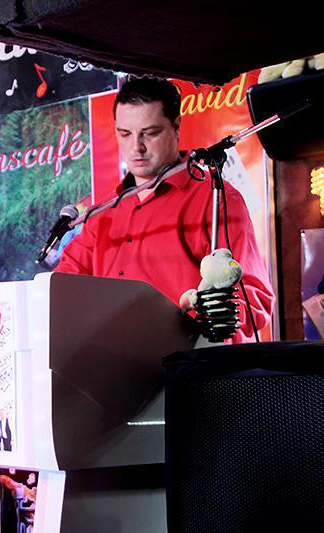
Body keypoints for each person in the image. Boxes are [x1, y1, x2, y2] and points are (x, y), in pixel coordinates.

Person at [55, 76, 274, 343]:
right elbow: (60, 288)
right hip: (116, 362)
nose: (136, 147)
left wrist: (209, 312)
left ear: (176, 126)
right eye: (125, 134)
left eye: (150, 133)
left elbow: (255, 299)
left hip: (189, 361)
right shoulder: (103, 213)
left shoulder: (215, 197)